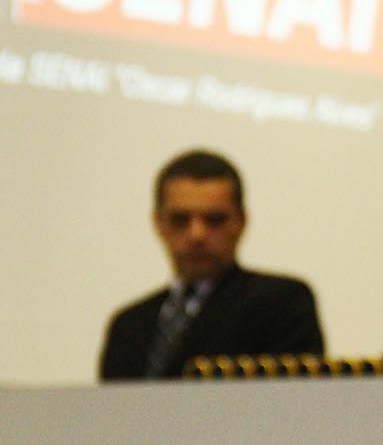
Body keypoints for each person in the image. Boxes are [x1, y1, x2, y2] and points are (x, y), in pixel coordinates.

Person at [99, 149, 325, 380]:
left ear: (241, 222)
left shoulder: (281, 304)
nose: (197, 234)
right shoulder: (128, 326)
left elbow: (294, 403)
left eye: (214, 220)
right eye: (180, 220)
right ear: (158, 223)